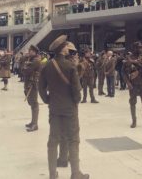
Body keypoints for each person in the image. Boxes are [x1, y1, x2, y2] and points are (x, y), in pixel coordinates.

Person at [39, 35, 89, 179]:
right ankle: (75, 173)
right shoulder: (70, 66)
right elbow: (76, 89)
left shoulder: (47, 65)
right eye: (66, 46)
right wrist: (76, 100)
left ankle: (52, 174)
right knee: (73, 139)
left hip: (54, 108)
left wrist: (48, 100)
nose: (68, 48)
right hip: (69, 109)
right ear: (62, 49)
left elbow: (41, 87)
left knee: (53, 140)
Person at [124, 42, 142, 129]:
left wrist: (133, 62)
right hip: (133, 84)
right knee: (132, 103)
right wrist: (128, 83)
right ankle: (134, 121)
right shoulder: (129, 57)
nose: (140, 49)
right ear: (134, 48)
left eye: (141, 47)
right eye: (138, 47)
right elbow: (124, 72)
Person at [23, 45, 42, 132]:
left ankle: (35, 124)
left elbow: (27, 71)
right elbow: (23, 70)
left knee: (34, 103)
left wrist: (25, 67)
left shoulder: (36, 60)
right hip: (29, 83)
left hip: (33, 84)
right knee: (31, 103)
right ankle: (33, 121)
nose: (29, 52)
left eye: (30, 51)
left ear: (34, 52)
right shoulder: (30, 60)